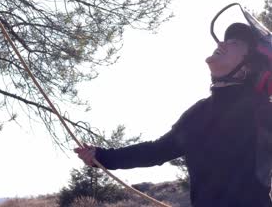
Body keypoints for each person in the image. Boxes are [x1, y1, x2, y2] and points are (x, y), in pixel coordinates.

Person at [75, 22, 272, 207]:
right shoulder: (199, 113)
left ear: (248, 67)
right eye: (224, 40)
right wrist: (100, 157)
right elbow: (155, 151)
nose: (221, 43)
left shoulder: (262, 111)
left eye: (234, 43)